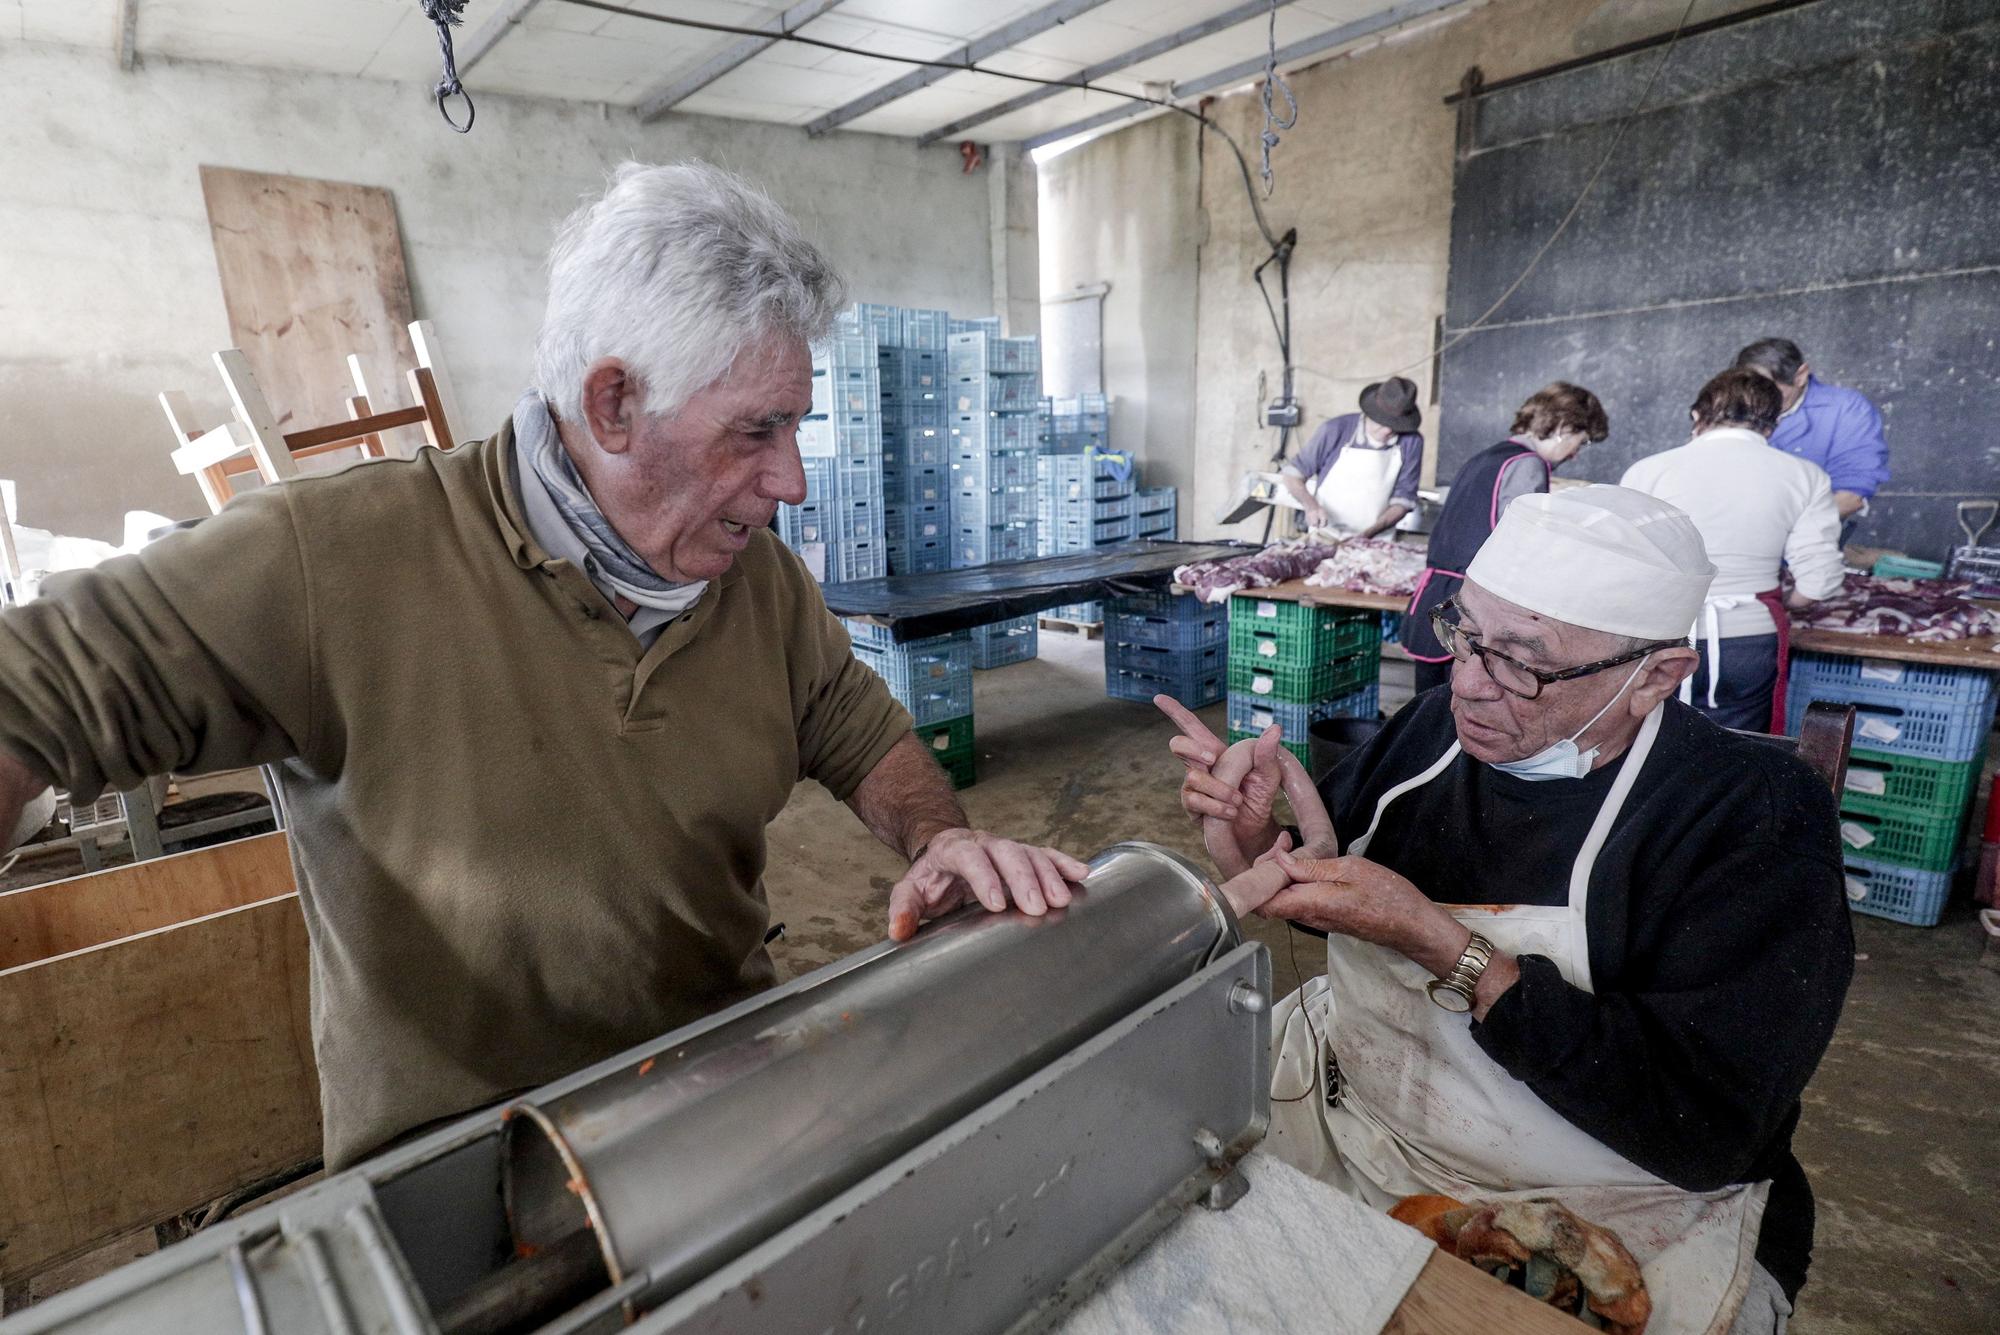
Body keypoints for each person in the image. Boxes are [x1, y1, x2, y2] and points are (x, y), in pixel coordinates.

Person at [0, 162, 1086, 1171]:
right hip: (466, 1171)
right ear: (612, 404)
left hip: (719, 1105)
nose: (791, 480)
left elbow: (858, 730)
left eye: (796, 427)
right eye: (754, 432)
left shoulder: (756, 581)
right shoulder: (335, 561)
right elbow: (24, 696)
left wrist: (940, 836)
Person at [1163, 486, 1852, 1335]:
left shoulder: (1753, 816)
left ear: (1657, 676)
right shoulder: (1433, 733)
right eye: (1465, 636)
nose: (1471, 687)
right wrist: (1253, 843)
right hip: (1359, 1121)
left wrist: (1446, 945)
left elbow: (1706, 1127)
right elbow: (1342, 902)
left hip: (1609, 1195)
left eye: (1523, 663)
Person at [1621, 368, 1844, 730]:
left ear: (1698, 415)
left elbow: (1625, 565)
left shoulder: (1649, 471)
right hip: (1749, 640)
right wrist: (1790, 601)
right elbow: (1819, 581)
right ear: (1772, 425)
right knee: (1736, 756)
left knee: (1646, 750)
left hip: (1662, 638)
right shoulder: (1805, 476)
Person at [1400, 381, 1609, 693]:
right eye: (1582, 441)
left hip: (1437, 598)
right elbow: (1522, 544)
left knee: (1432, 710)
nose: (1576, 454)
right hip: (1470, 608)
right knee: (1461, 710)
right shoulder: (1527, 464)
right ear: (1564, 426)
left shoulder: (1485, 457)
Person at [1733, 337, 1888, 537]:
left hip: (1802, 544)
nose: (1758, 400)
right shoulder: (1735, 408)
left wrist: (1777, 534)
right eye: (1750, 391)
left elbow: (1850, 497)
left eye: (1770, 390)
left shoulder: (1845, 409)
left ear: (1800, 376)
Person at [1278, 377, 1424, 539]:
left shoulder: (1411, 442)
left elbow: (1403, 500)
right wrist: (1311, 506)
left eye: (1396, 425)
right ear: (1370, 413)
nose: (1387, 431)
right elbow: (1292, 476)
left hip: (1376, 539)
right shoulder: (1335, 430)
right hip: (1325, 533)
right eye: (1381, 423)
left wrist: (1367, 535)